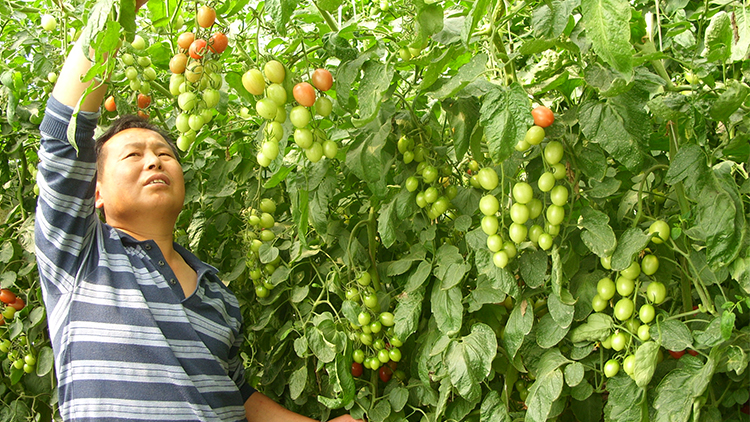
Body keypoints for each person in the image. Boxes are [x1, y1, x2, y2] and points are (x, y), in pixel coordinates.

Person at [34, 8, 363, 422]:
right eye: (133, 155)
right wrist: (116, 9)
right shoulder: (80, 256)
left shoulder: (217, 295)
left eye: (165, 154)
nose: (153, 161)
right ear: (94, 192)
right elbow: (64, 133)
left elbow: (236, 396)